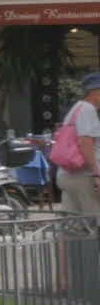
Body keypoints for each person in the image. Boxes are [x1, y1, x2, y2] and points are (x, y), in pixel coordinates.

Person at [56, 73, 100, 217]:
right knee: (93, 221)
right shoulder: (88, 109)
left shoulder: (76, 109)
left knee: (72, 223)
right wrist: (96, 174)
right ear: (94, 91)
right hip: (84, 176)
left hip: (67, 174)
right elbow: (85, 142)